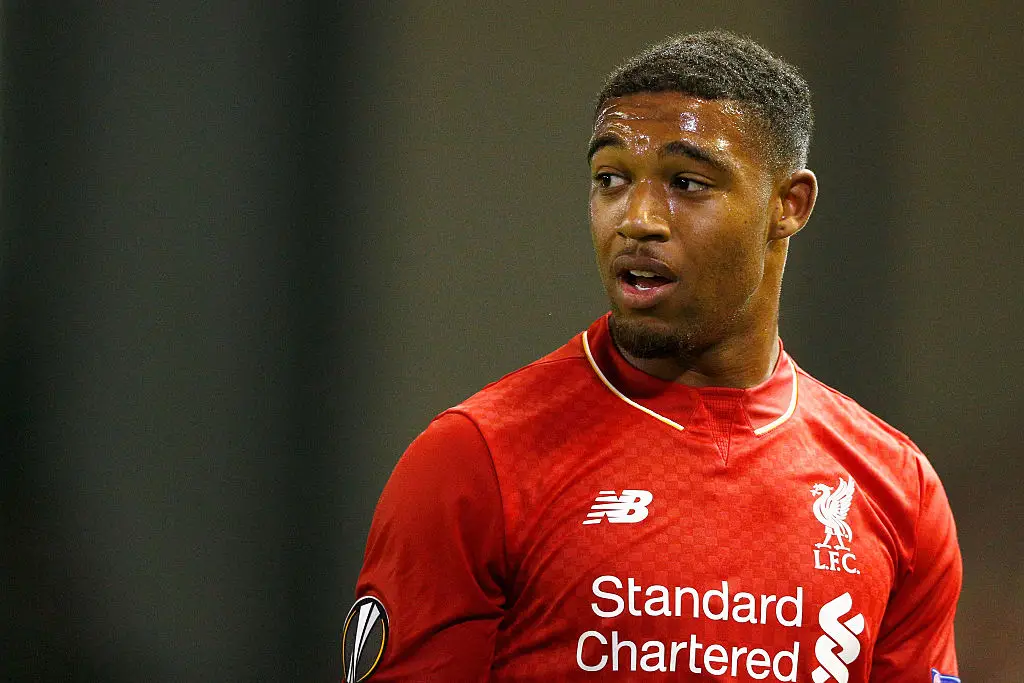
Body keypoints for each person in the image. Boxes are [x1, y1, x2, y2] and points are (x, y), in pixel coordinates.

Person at [342, 30, 962, 682]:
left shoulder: (896, 492)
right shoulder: (474, 463)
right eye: (610, 178)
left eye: (686, 183)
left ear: (790, 204)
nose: (636, 218)